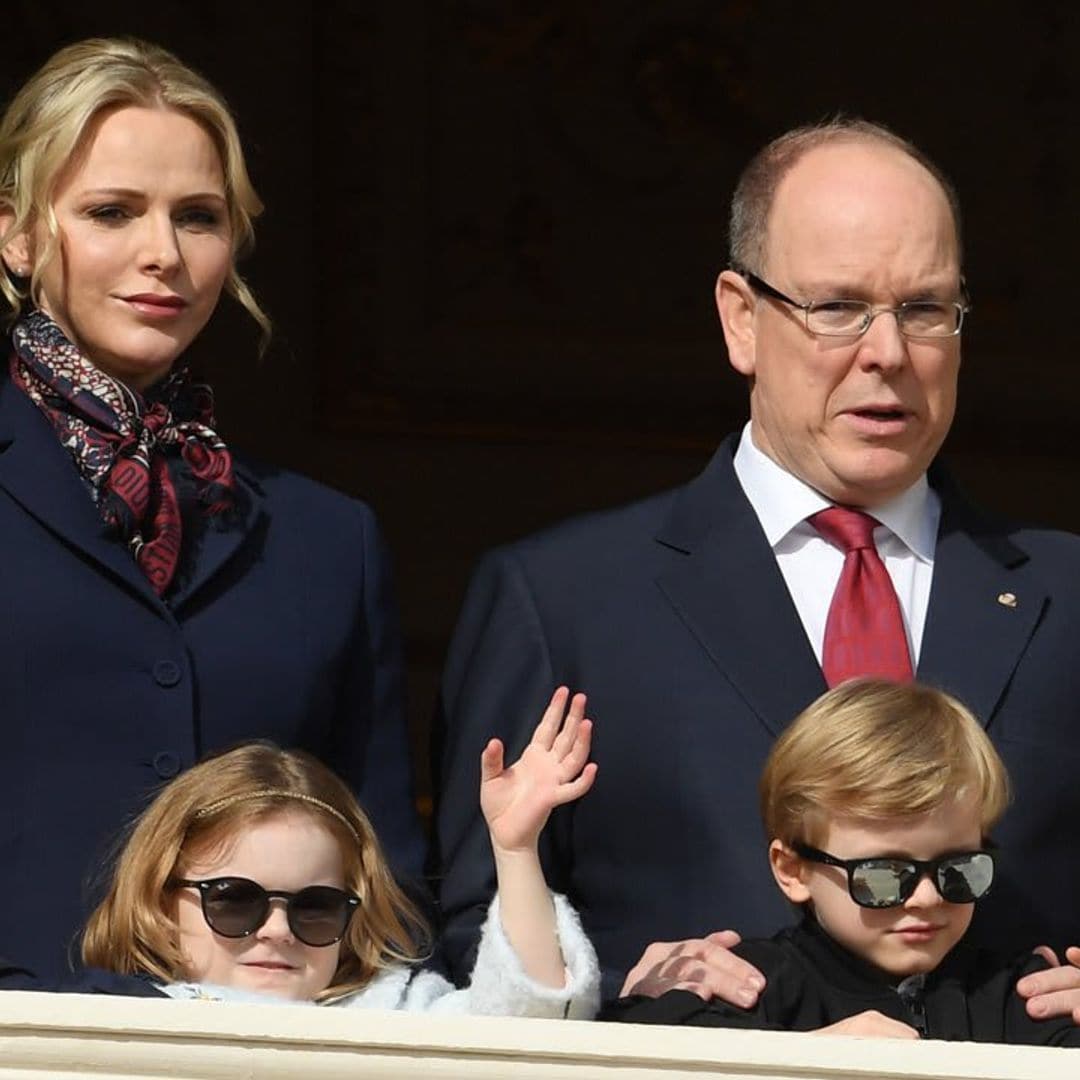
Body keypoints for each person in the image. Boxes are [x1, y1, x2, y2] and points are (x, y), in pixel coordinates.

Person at [430, 117, 1080, 1019]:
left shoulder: (1067, 596)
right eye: (839, 307)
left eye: (925, 309)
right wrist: (625, 994)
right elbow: (465, 929)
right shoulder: (564, 599)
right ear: (742, 318)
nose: (888, 352)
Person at [0, 37, 423, 978]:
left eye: (199, 216)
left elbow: (389, 876)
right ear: (18, 235)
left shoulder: (326, 539)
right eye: (112, 212)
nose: (163, 254)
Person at [5, 688, 599, 1014]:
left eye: (315, 907)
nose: (278, 930)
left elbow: (526, 1028)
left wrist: (515, 849)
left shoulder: (395, 1014)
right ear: (162, 907)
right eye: (234, 902)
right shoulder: (108, 1020)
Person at [605, 680, 1080, 1046]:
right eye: (885, 875)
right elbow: (625, 1041)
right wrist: (805, 1058)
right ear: (792, 870)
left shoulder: (1020, 992)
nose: (928, 897)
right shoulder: (753, 982)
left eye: (960, 870)